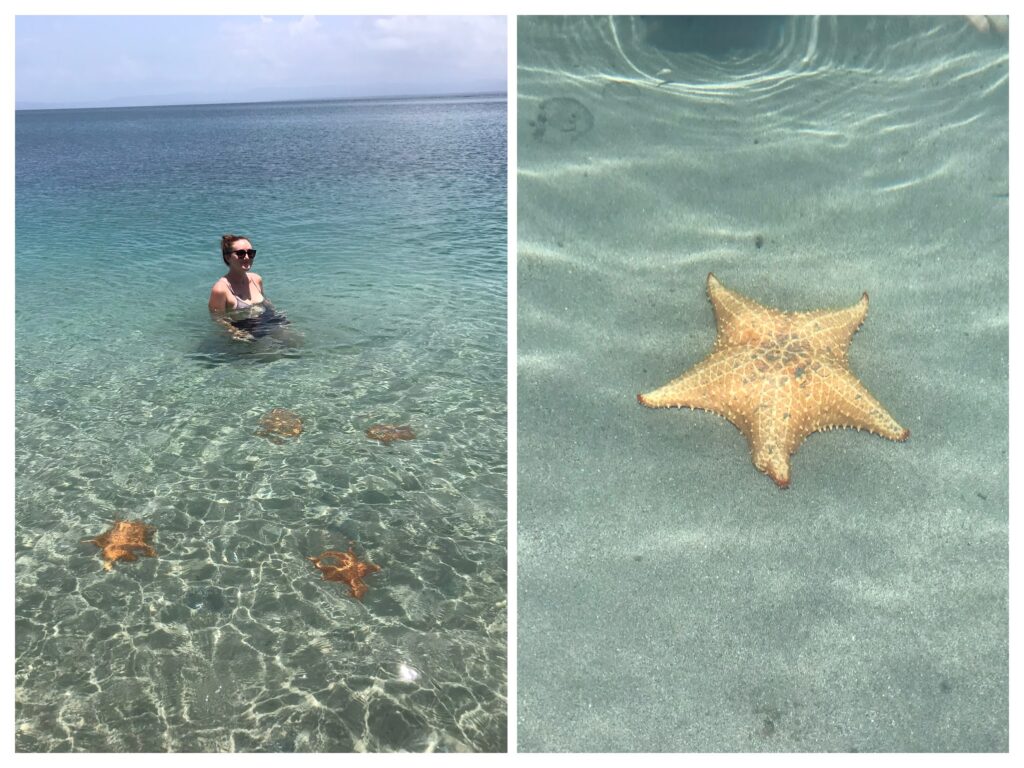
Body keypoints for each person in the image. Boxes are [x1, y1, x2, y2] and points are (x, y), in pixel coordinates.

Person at [208, 234, 288, 341]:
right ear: (227, 257)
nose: (246, 257)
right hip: (245, 332)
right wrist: (238, 333)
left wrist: (277, 315)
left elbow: (265, 302)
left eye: (250, 253)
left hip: (266, 322)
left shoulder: (256, 279)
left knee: (297, 343)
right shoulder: (221, 289)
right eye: (240, 253)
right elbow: (217, 319)